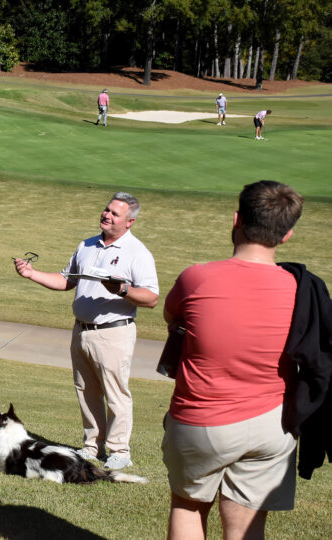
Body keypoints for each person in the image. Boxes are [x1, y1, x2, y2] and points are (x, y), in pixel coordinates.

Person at [161, 180, 304, 540]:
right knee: (247, 526)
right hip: (273, 422)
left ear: (236, 219)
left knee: (188, 506)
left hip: (202, 419)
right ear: (287, 235)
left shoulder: (196, 277)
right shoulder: (301, 289)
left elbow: (172, 318)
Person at [14, 192, 158, 470]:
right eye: (107, 210)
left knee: (115, 392)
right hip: (81, 330)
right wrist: (32, 273)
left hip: (113, 332)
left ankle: (119, 451)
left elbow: (151, 297)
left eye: (115, 214)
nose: (107, 215)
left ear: (129, 222)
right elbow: (66, 280)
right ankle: (93, 445)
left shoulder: (137, 252)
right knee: (86, 390)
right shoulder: (87, 245)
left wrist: (124, 289)